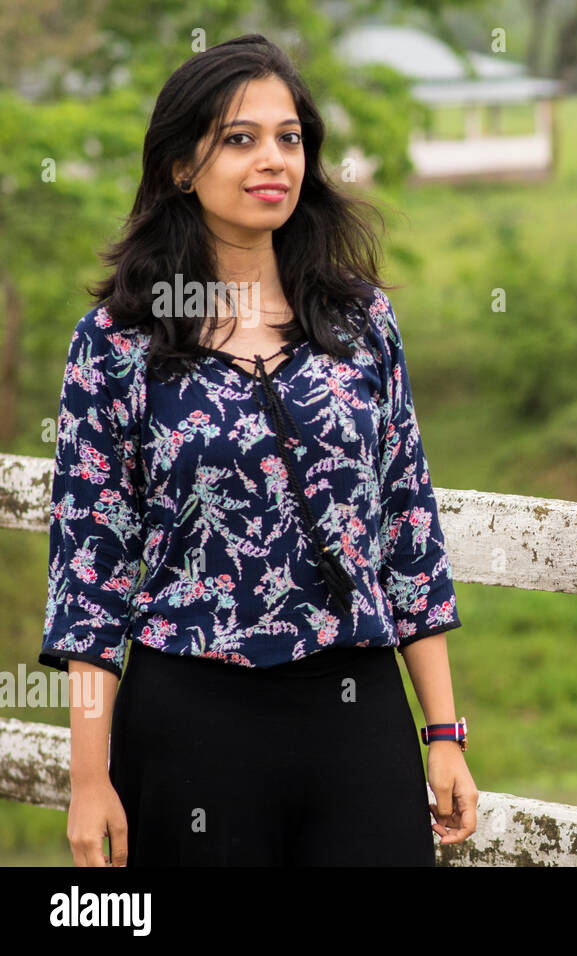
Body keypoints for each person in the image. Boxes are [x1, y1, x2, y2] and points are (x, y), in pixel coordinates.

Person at [38, 34, 477, 866]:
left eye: (289, 137)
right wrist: (89, 778)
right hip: (192, 721)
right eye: (238, 138)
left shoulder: (359, 322)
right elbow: (88, 575)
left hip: (355, 711)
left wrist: (445, 732)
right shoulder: (117, 342)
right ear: (179, 166)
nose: (271, 158)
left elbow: (408, 530)